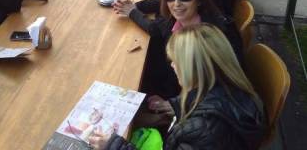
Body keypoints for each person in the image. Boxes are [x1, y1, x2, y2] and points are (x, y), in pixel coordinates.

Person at [89, 24, 264, 150]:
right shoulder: (230, 84)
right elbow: (208, 102)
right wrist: (175, 105)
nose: (172, 65)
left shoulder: (204, 132)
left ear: (195, 67)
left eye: (177, 61)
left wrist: (112, 146)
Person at [114, 0, 243, 99]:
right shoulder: (174, 21)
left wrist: (174, 105)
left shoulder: (212, 37)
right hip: (175, 89)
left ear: (199, 0)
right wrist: (133, 9)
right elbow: (155, 28)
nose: (176, 4)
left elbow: (216, 90)